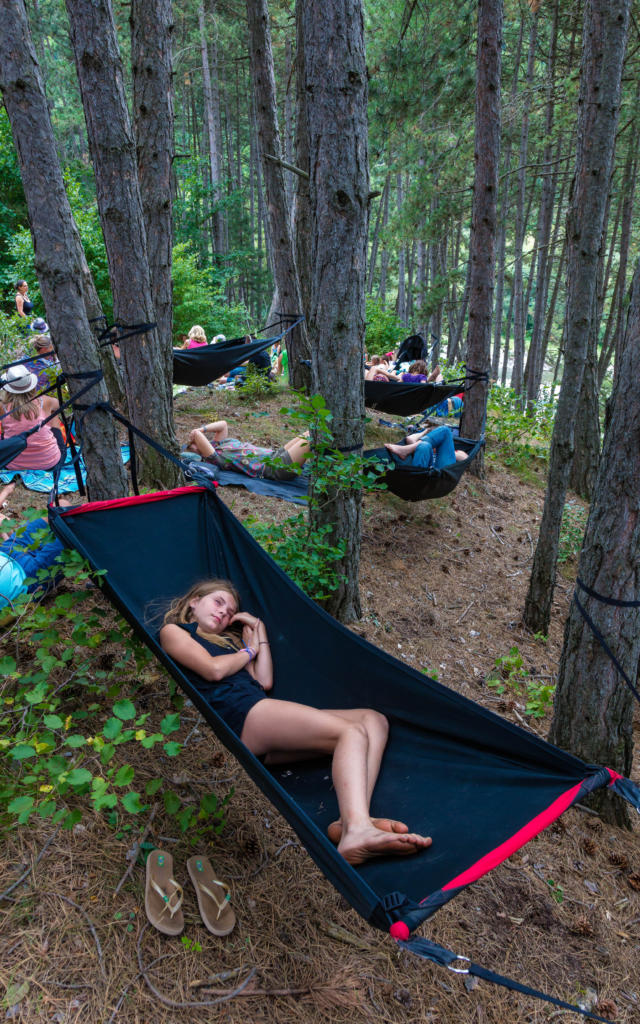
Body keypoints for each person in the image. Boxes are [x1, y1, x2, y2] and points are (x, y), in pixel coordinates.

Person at [159, 579, 432, 865]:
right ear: (194, 601)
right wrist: (249, 652)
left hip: (261, 716)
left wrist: (258, 633)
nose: (224, 613)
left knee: (373, 720)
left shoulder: (231, 643)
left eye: (230, 612)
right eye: (218, 602)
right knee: (349, 732)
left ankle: (350, 822)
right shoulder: (175, 632)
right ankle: (359, 830)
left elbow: (263, 681)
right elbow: (213, 670)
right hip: (242, 716)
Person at [0, 483, 69, 609]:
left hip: (7, 551)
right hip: (27, 579)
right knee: (72, 528)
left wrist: (6, 492)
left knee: (62, 506)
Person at [186, 421, 309, 482]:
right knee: (315, 436)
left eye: (192, 443)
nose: (193, 443)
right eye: (192, 447)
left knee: (312, 431)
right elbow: (197, 435)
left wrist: (202, 429)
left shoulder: (218, 444)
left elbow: (223, 424)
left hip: (275, 454)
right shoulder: (213, 458)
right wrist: (196, 433)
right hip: (275, 467)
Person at [0, 365, 65, 472]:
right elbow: (60, 405)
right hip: (49, 462)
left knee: (5, 425)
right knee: (53, 413)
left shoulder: (2, 407)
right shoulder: (44, 401)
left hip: (12, 463)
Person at [385, 424, 467, 470]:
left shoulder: (451, 451)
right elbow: (409, 438)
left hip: (442, 471)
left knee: (445, 430)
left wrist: (441, 450)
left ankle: (405, 451)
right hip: (425, 473)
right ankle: (417, 477)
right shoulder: (424, 447)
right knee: (423, 445)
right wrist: (425, 432)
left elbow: (465, 459)